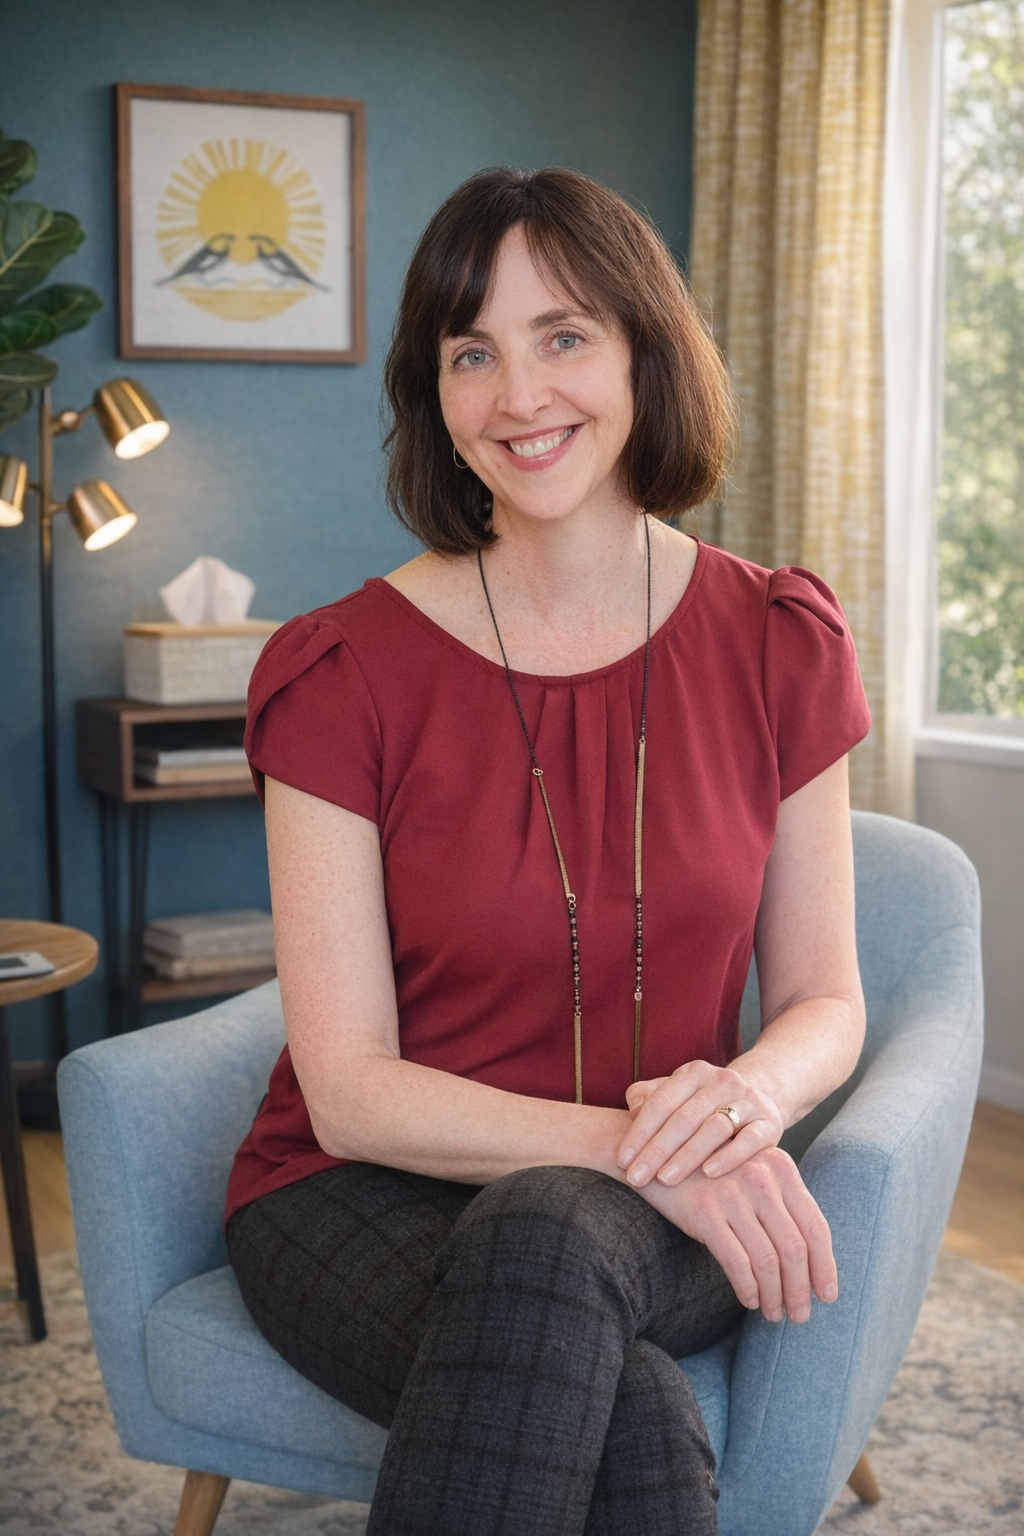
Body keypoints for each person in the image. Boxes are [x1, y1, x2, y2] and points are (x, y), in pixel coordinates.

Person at [225, 165, 871, 1535]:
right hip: (357, 1196)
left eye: (563, 335)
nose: (519, 395)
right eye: (473, 352)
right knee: (617, 1392)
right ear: (434, 393)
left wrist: (744, 1104)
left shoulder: (778, 640)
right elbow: (346, 1093)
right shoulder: (338, 670)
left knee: (552, 1235)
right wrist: (653, 1149)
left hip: (649, 1212)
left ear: (647, 349)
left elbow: (825, 998)